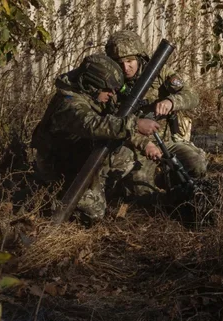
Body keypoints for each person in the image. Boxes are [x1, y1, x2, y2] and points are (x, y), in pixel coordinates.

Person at [30, 53, 159, 221]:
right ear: (92, 86)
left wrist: (145, 144)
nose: (112, 94)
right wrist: (135, 124)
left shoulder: (92, 97)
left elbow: (112, 122)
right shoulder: (69, 103)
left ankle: (100, 187)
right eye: (107, 89)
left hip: (80, 154)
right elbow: (93, 124)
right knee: (94, 213)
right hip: (60, 165)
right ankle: (49, 196)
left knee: (127, 156)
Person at [105, 30, 208, 185]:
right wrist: (144, 143)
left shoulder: (159, 73)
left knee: (197, 165)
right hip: (133, 145)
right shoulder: (109, 83)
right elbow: (111, 123)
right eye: (119, 63)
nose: (125, 68)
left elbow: (192, 96)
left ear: (139, 57)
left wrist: (171, 102)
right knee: (140, 182)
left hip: (166, 142)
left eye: (130, 61)